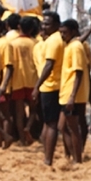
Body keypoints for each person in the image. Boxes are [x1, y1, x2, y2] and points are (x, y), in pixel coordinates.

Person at [1, 16, 39, 146]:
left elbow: (9, 65)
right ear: (32, 29)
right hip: (33, 80)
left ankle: (22, 139)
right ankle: (28, 127)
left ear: (19, 27)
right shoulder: (35, 43)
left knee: (18, 114)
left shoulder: (12, 44)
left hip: (17, 80)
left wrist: (5, 84)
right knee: (34, 110)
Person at [33, 12, 65, 164]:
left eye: (48, 24)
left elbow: (49, 65)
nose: (44, 27)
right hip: (49, 86)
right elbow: (47, 65)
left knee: (51, 124)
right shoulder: (50, 41)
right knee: (50, 123)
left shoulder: (54, 40)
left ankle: (48, 157)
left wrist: (37, 86)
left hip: (52, 86)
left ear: (57, 25)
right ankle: (47, 157)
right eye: (43, 24)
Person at [58, 18, 88, 163]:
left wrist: (72, 96)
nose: (62, 36)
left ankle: (77, 159)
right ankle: (72, 156)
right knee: (62, 126)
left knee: (72, 128)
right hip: (67, 93)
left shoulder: (76, 47)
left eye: (65, 32)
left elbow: (79, 71)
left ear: (73, 31)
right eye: (61, 33)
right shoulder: (71, 45)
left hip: (72, 94)